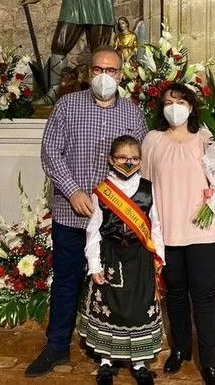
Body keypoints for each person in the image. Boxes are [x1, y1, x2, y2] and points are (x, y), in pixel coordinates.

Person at [25, 46, 148, 378]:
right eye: (98, 70)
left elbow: (140, 159)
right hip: (72, 213)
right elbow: (50, 151)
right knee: (66, 280)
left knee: (114, 284)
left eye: (111, 70)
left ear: (121, 75)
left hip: (115, 220)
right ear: (89, 72)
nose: (104, 76)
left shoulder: (132, 113)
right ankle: (56, 347)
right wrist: (72, 190)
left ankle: (115, 350)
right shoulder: (68, 105)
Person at [141, 83, 215, 385]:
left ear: (192, 107)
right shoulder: (153, 140)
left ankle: (210, 363)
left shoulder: (205, 139)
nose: (174, 107)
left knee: (204, 296)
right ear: (161, 108)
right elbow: (144, 186)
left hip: (202, 231)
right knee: (175, 294)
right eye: (168, 102)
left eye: (181, 102)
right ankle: (181, 348)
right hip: (168, 231)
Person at [79, 135, 164, 385]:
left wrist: (160, 258)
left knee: (138, 307)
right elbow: (93, 230)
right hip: (111, 256)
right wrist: (94, 264)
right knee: (111, 307)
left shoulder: (148, 189)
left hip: (140, 257)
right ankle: (106, 362)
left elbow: (156, 226)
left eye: (134, 158)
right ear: (111, 159)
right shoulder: (102, 191)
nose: (128, 162)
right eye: (122, 158)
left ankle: (139, 364)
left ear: (141, 161)